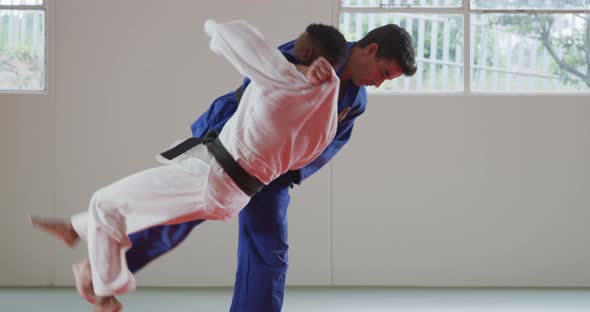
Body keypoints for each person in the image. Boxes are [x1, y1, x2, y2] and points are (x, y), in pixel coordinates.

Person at [30, 19, 350, 312]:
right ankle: (75, 229)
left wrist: (209, 25)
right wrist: (327, 82)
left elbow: (232, 33)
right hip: (232, 192)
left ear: (306, 50)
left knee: (105, 202)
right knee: (132, 211)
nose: (291, 47)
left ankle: (105, 292)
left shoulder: (284, 77)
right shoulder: (327, 120)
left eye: (297, 42)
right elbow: (301, 160)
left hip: (211, 178)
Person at [125, 23, 418, 312]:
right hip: (234, 136)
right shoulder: (327, 48)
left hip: (275, 168)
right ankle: (110, 266)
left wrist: (287, 172)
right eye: (383, 73)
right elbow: (259, 73)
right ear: (370, 50)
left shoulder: (356, 101)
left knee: (269, 249)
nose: (379, 83)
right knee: (184, 212)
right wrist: (302, 73)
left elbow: (327, 145)